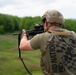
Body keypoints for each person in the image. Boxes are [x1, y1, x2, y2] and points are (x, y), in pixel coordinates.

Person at [19, 10, 76, 75]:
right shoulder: (73, 35)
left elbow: (23, 46)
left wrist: (24, 35)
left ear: (46, 22)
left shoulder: (42, 37)